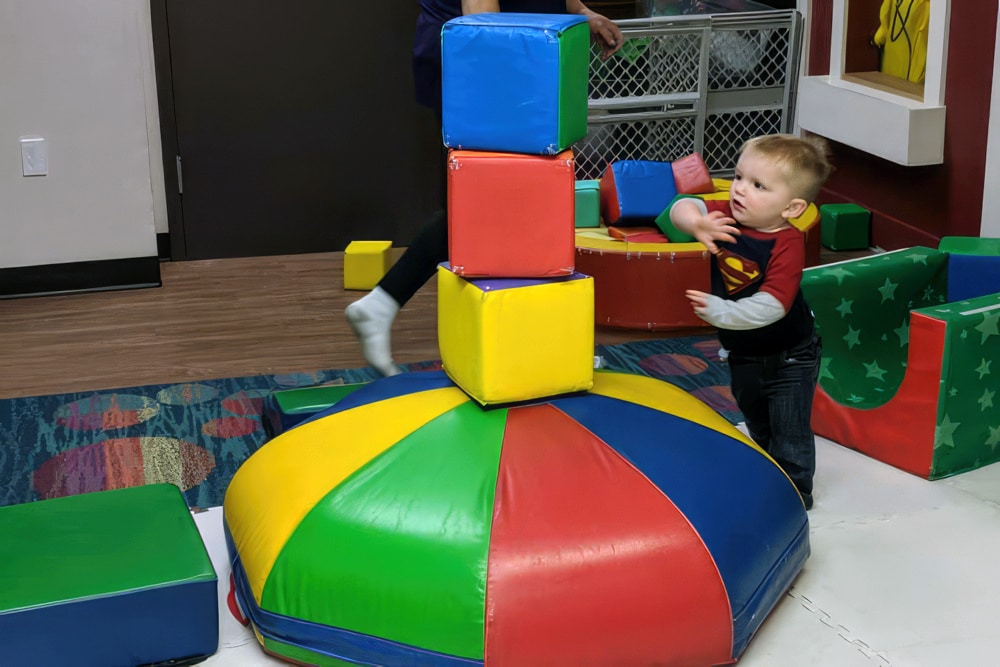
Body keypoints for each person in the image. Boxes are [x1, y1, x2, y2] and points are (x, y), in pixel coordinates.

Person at [345, 0, 624, 377]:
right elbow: (483, 25)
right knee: (494, 205)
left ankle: (383, 304)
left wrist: (582, 14)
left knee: (515, 204)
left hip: (517, 54)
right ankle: (536, 342)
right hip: (486, 61)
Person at [666, 133, 833, 510]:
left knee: (788, 428)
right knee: (755, 415)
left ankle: (794, 494)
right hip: (742, 351)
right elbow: (679, 205)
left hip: (791, 354)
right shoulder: (726, 214)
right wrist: (697, 224)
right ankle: (766, 464)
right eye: (739, 177)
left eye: (758, 185)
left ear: (791, 208)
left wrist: (723, 313)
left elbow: (773, 305)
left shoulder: (787, 244)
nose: (740, 189)